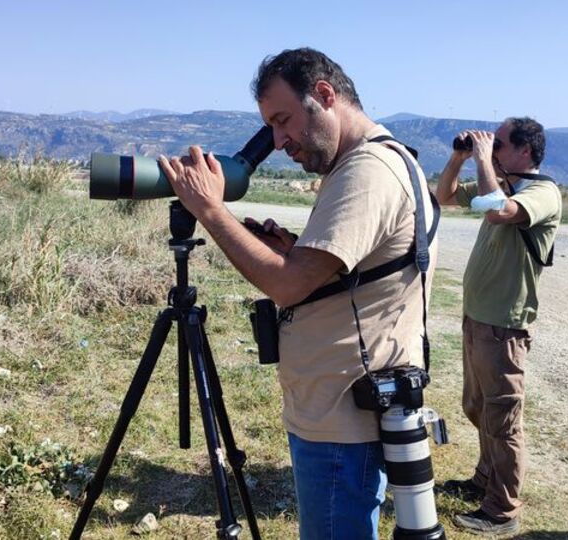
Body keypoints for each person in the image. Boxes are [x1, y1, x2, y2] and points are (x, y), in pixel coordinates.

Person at [158, 47, 437, 539]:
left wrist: (210, 210)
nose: (280, 140)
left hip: (339, 415)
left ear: (325, 96)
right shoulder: (380, 159)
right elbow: (346, 271)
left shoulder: (367, 171)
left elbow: (288, 285)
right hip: (345, 400)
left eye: (283, 121)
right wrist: (291, 249)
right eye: (271, 127)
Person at [435, 118, 561, 535]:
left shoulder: (543, 192)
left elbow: (495, 211)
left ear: (525, 151)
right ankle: (484, 480)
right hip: (478, 318)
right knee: (478, 407)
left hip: (505, 325)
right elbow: (445, 195)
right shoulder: (503, 184)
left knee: (503, 419)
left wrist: (484, 159)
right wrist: (459, 157)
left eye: (501, 142)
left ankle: (502, 510)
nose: (492, 146)